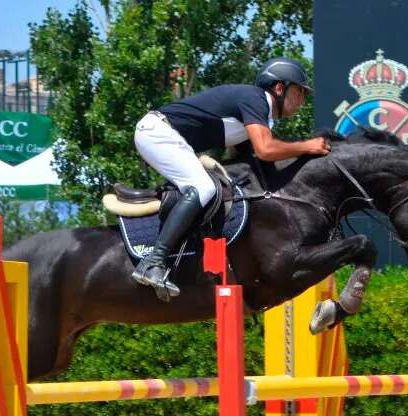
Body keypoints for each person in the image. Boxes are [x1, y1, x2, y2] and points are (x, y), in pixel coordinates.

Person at [131, 57, 331, 300]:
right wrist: (307, 146)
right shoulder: (257, 99)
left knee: (209, 186)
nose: (303, 100)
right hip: (157, 133)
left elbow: (252, 162)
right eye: (299, 92)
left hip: (168, 136)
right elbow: (265, 149)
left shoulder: (258, 113)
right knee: (203, 187)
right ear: (279, 88)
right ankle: (153, 263)